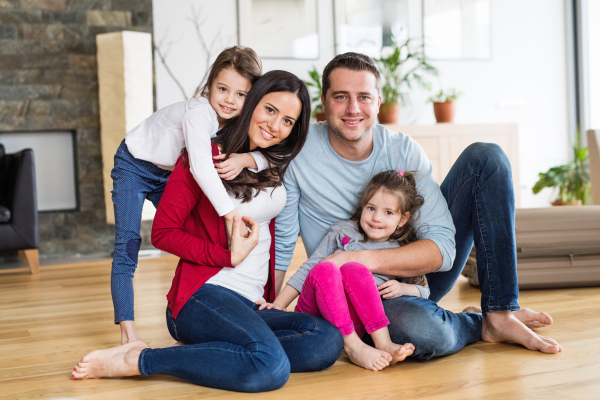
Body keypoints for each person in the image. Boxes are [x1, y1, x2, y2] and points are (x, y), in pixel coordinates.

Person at [274, 52, 562, 358]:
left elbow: (443, 250)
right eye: (341, 96)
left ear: (379, 101)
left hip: (412, 280)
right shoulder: (298, 150)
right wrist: (272, 308)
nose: (352, 108)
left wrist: (359, 257)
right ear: (324, 100)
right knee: (428, 332)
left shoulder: (403, 150)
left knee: (486, 158)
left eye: (364, 97)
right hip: (348, 294)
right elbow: (283, 240)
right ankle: (479, 323)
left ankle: (501, 312)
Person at [72, 71, 344, 392]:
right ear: (251, 102)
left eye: (287, 121)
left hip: (252, 301)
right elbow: (163, 232)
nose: (275, 126)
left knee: (325, 341)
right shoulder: (200, 157)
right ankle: (139, 360)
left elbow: (277, 238)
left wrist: (275, 297)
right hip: (203, 295)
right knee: (270, 367)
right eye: (270, 110)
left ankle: (218, 354)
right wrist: (226, 256)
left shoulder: (270, 162)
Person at [111, 46, 269, 345]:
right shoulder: (199, 113)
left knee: (193, 231)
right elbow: (200, 167)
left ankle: (199, 300)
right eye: (223, 89)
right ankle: (128, 333)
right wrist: (230, 213)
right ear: (210, 85)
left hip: (169, 171)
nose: (229, 100)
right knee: (128, 245)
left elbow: (270, 154)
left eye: (240, 94)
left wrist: (249, 160)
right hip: (134, 165)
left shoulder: (236, 122)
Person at [262, 170, 446, 371]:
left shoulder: (399, 250)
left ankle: (383, 342)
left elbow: (425, 291)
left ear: (402, 219)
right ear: (363, 207)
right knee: (326, 268)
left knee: (355, 270)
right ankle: (354, 347)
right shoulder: (342, 230)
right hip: (314, 312)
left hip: (354, 322)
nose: (376, 218)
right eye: (371, 208)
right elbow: (310, 267)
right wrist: (279, 304)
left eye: (388, 213)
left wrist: (402, 288)